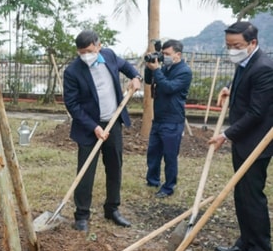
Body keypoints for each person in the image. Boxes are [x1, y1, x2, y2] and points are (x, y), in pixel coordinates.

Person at [63, 30, 142, 232]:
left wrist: (136, 76)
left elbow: (126, 67)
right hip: (89, 128)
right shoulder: (73, 72)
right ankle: (82, 215)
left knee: (115, 167)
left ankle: (112, 209)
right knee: (85, 172)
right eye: (81, 53)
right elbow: (72, 105)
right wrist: (94, 127)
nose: (86, 56)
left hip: (113, 123)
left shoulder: (109, 56)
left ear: (98, 46)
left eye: (89, 51)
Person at [209, 21, 273, 251]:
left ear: (252, 43)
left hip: (257, 143)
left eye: (236, 46)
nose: (231, 50)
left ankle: (261, 249)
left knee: (252, 194)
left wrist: (226, 135)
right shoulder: (246, 62)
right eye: (228, 46)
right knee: (241, 191)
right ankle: (245, 241)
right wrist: (229, 88)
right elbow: (244, 86)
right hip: (244, 141)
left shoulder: (264, 67)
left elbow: (257, 111)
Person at [144, 40, 192, 198]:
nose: (164, 57)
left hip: (173, 119)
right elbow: (149, 81)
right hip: (158, 118)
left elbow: (169, 87)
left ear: (178, 55)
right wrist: (149, 66)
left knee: (170, 156)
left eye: (167, 54)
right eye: (162, 54)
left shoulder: (184, 71)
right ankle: (152, 181)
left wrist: (157, 70)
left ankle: (168, 187)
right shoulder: (164, 67)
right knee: (153, 152)